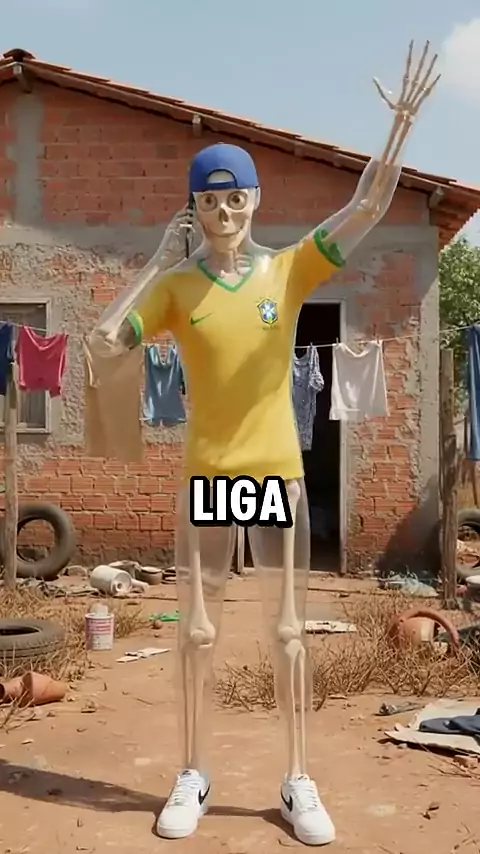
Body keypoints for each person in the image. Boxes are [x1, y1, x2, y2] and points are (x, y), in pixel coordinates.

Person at [90, 41, 439, 847]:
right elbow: (107, 343)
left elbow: (363, 211)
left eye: (235, 199)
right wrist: (157, 260)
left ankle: (297, 777)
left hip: (276, 470)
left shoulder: (286, 271)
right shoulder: (177, 287)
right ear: (195, 208)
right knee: (198, 629)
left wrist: (397, 134)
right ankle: (193, 770)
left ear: (254, 201)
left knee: (286, 631)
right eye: (210, 202)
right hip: (208, 473)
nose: (224, 213)